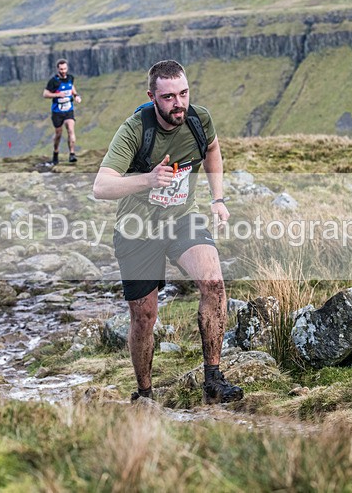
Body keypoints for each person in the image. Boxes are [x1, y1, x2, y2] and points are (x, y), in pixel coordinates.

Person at [92, 60, 243, 405]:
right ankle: (145, 393)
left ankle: (213, 379)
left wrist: (218, 198)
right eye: (169, 97)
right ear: (152, 96)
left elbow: (213, 151)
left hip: (181, 219)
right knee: (144, 316)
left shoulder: (198, 120)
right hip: (137, 228)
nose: (179, 103)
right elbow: (100, 187)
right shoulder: (134, 130)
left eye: (184, 93)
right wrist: (148, 179)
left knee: (213, 283)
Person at [43, 59, 82, 164]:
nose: (63, 71)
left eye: (65, 68)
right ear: (58, 69)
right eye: (61, 69)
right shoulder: (53, 81)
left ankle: (72, 154)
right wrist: (57, 95)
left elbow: (72, 88)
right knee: (58, 134)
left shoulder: (70, 78)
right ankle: (55, 152)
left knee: (70, 129)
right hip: (57, 112)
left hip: (69, 110)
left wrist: (76, 96)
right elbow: (45, 94)